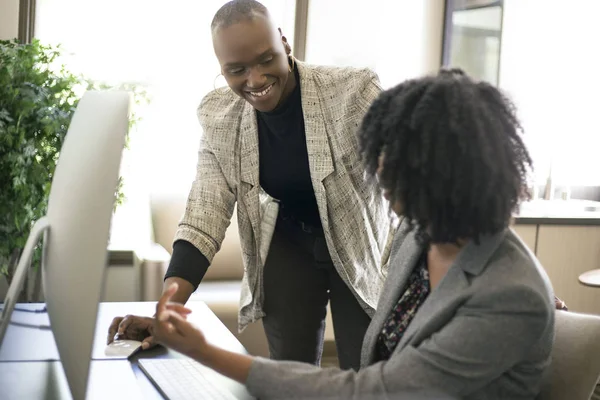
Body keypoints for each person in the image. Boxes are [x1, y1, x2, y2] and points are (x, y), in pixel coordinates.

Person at [151, 68, 557, 400]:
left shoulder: (510, 294)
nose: (378, 171)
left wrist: (206, 353)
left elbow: (376, 389)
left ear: (446, 175)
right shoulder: (418, 237)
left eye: (395, 162)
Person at [107, 0, 395, 371]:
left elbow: (404, 177)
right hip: (287, 244)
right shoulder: (219, 115)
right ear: (222, 70)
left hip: (359, 244)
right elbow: (203, 214)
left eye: (266, 60)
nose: (255, 80)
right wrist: (168, 312)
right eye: (236, 70)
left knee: (369, 371)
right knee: (290, 377)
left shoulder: (353, 92)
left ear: (284, 44)